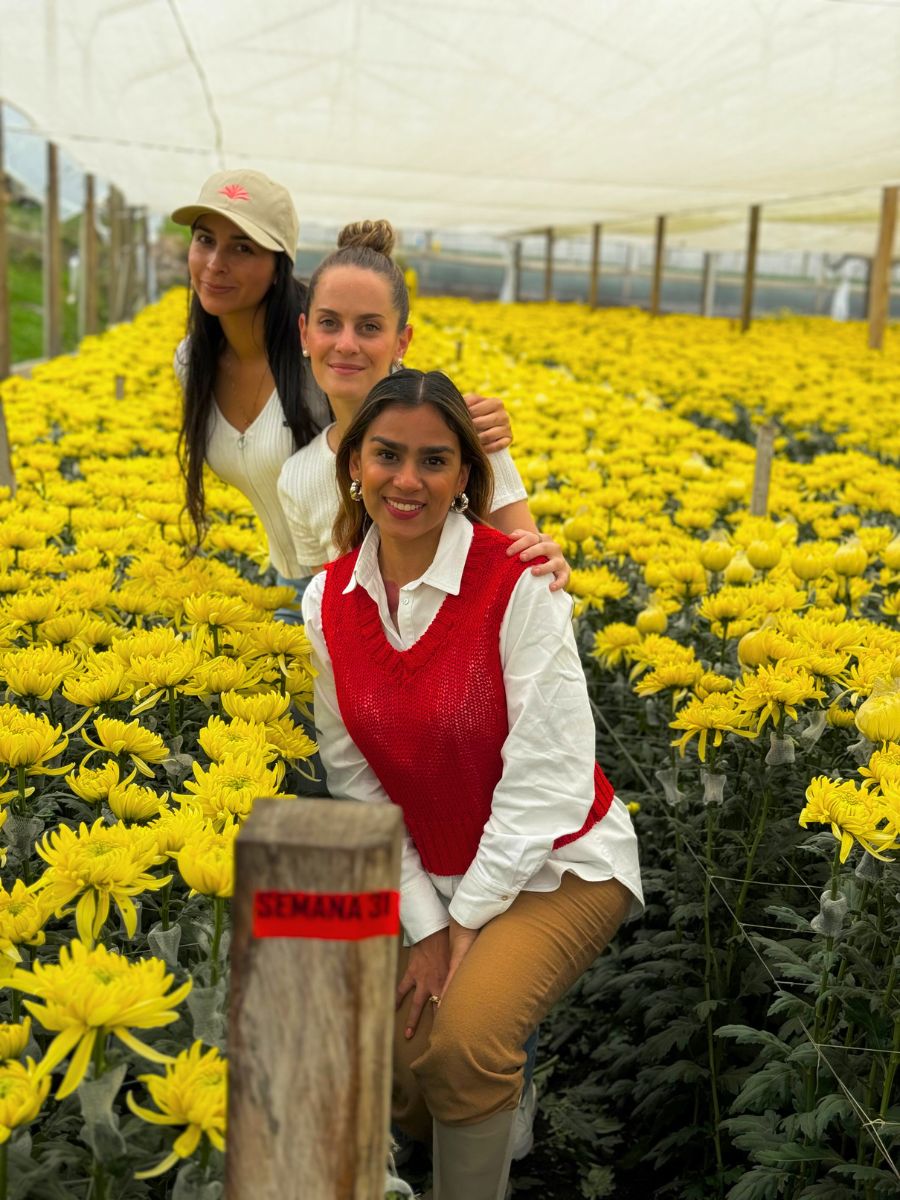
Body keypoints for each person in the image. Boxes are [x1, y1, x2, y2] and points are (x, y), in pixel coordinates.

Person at [302, 370, 643, 1200]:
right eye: (386, 455)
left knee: (461, 1042)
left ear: (465, 478)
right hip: (432, 866)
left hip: (554, 860)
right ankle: (483, 1101)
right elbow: (354, 778)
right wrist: (425, 922)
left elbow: (550, 778)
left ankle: (482, 1105)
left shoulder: (519, 582)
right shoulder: (328, 601)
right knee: (396, 1059)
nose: (407, 481)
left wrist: (461, 926)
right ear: (354, 464)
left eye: (434, 460)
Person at [170, 172, 552, 612]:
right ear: (307, 332)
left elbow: (532, 576)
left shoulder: (322, 361)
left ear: (280, 264)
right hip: (304, 580)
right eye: (204, 240)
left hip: (408, 597)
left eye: (243, 247)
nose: (217, 263)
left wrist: (464, 427)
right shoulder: (192, 363)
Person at [277, 218, 568, 594]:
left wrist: (554, 563)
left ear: (402, 341)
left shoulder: (463, 433)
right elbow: (334, 615)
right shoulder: (298, 479)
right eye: (329, 322)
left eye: (369, 327)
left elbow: (540, 575)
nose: (346, 344)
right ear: (305, 332)